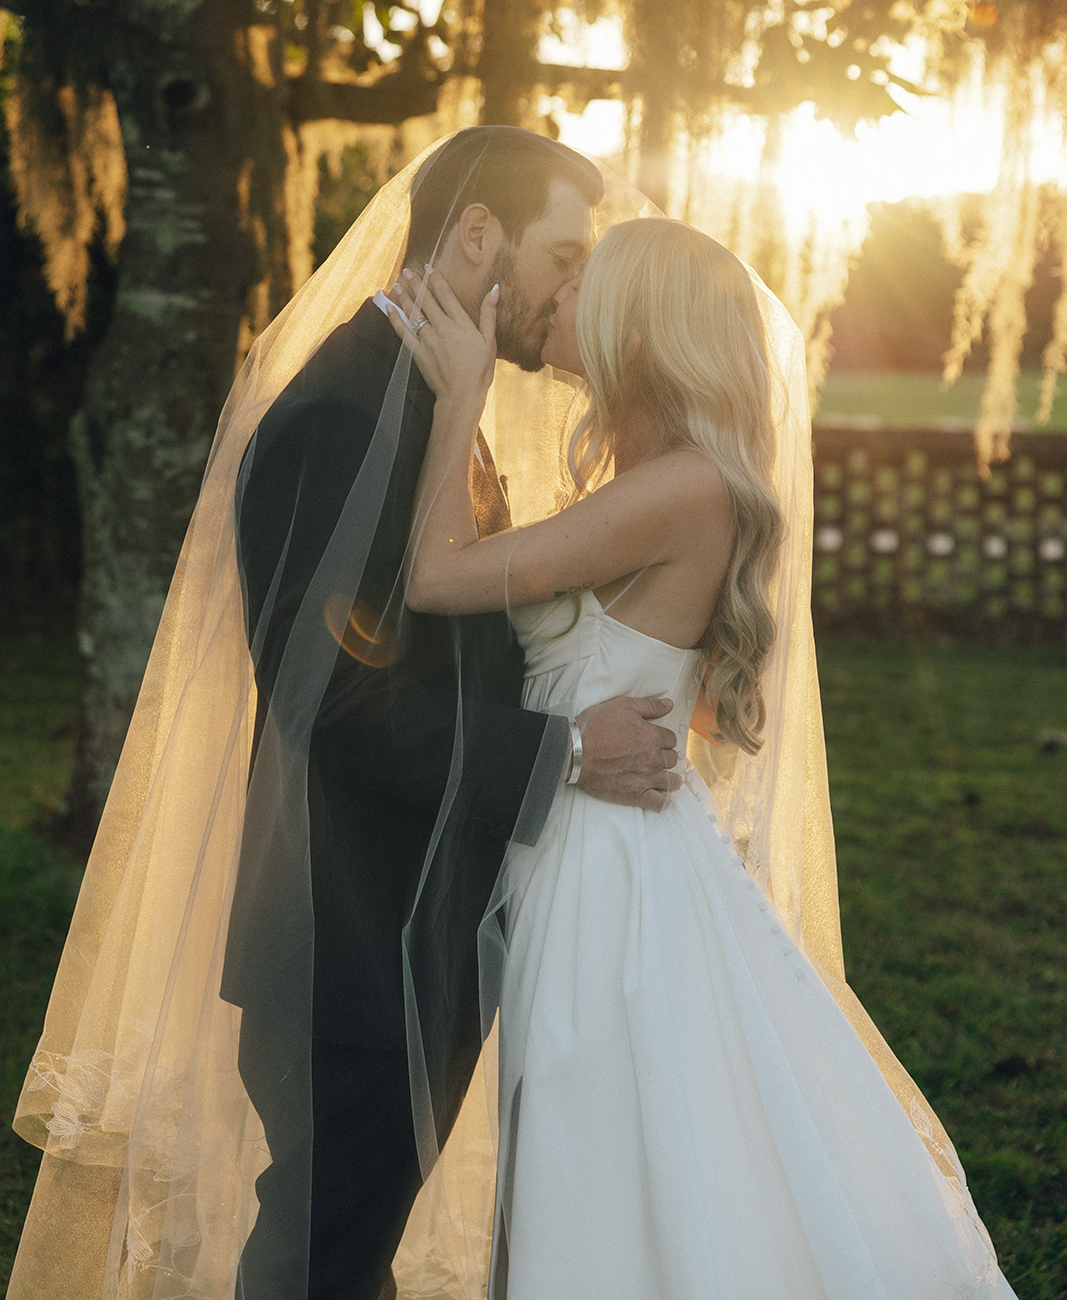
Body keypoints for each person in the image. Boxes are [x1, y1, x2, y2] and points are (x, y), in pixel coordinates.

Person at [7, 130, 676, 1300]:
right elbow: (338, 699)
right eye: (559, 255)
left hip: (414, 931)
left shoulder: (427, 392)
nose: (572, 290)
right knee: (320, 1254)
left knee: (346, 1252)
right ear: (477, 235)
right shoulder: (337, 414)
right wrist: (566, 751)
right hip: (352, 940)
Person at [387, 217, 1020, 1299]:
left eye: (588, 279)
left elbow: (437, 578)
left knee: (596, 1147)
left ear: (644, 325)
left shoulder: (682, 487)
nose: (562, 293)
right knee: (607, 1137)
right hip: (586, 834)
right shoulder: (653, 480)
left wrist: (458, 395)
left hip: (606, 872)